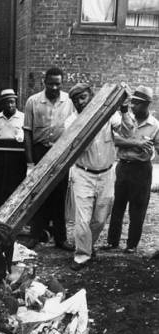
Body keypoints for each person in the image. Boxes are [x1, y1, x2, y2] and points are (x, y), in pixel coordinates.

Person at [67, 82, 134, 271]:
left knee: (101, 217)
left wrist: (124, 109)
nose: (80, 102)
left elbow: (128, 131)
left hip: (106, 174)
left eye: (83, 97)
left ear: (91, 96)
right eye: (76, 99)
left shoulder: (109, 116)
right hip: (82, 174)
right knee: (82, 219)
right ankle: (81, 255)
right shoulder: (71, 121)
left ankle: (88, 246)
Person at [23, 67, 74, 250]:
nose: (54, 87)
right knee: (37, 195)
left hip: (60, 153)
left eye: (57, 84)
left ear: (62, 83)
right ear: (44, 82)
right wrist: (30, 163)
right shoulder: (33, 101)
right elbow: (27, 133)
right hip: (40, 151)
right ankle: (35, 235)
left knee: (60, 195)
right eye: (51, 83)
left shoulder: (69, 101)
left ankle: (60, 238)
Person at [104, 85, 159, 253]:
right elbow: (116, 140)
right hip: (123, 166)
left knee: (138, 208)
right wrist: (138, 144)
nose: (133, 106)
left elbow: (157, 147)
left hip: (142, 169)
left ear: (147, 104)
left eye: (137, 103)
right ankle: (112, 242)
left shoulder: (155, 125)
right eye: (132, 102)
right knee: (117, 206)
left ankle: (132, 245)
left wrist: (150, 148)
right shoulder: (124, 119)